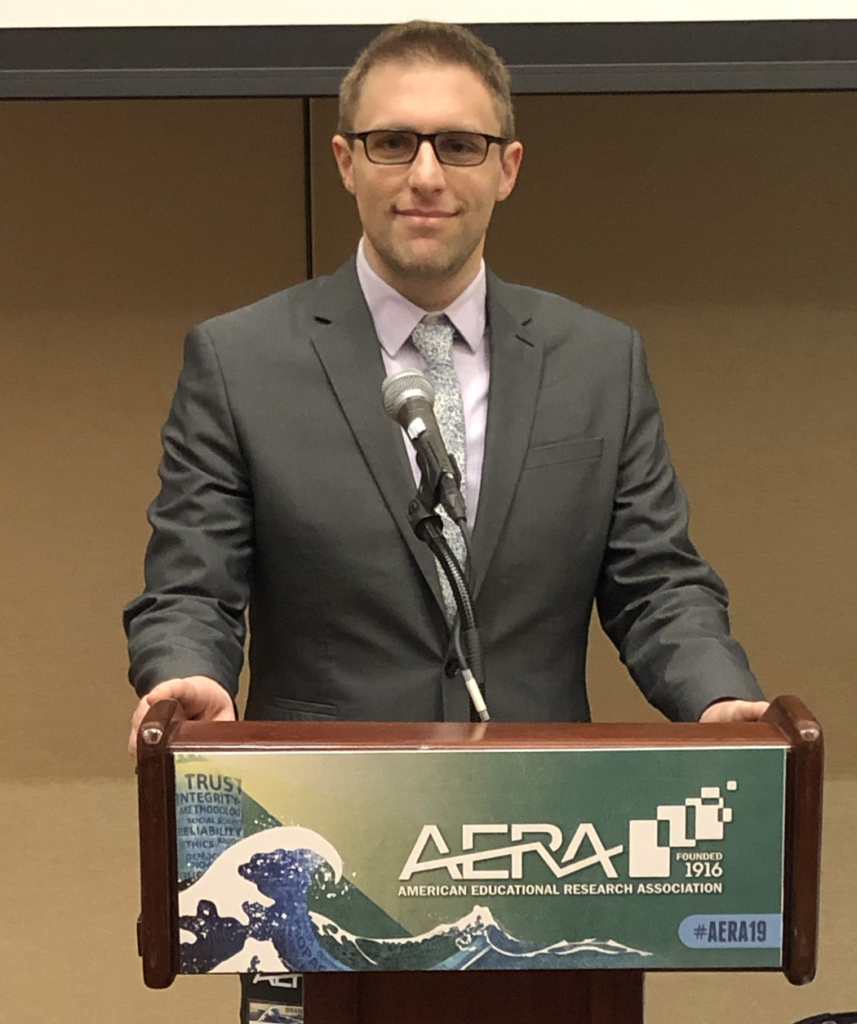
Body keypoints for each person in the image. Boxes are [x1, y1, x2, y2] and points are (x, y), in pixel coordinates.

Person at [125, 20, 768, 755]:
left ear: (508, 168)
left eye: (460, 146)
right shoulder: (239, 362)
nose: (425, 176)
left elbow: (657, 585)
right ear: (345, 160)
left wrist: (718, 696)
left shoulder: (598, 361)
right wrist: (188, 673)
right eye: (393, 143)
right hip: (329, 802)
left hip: (540, 814)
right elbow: (191, 587)